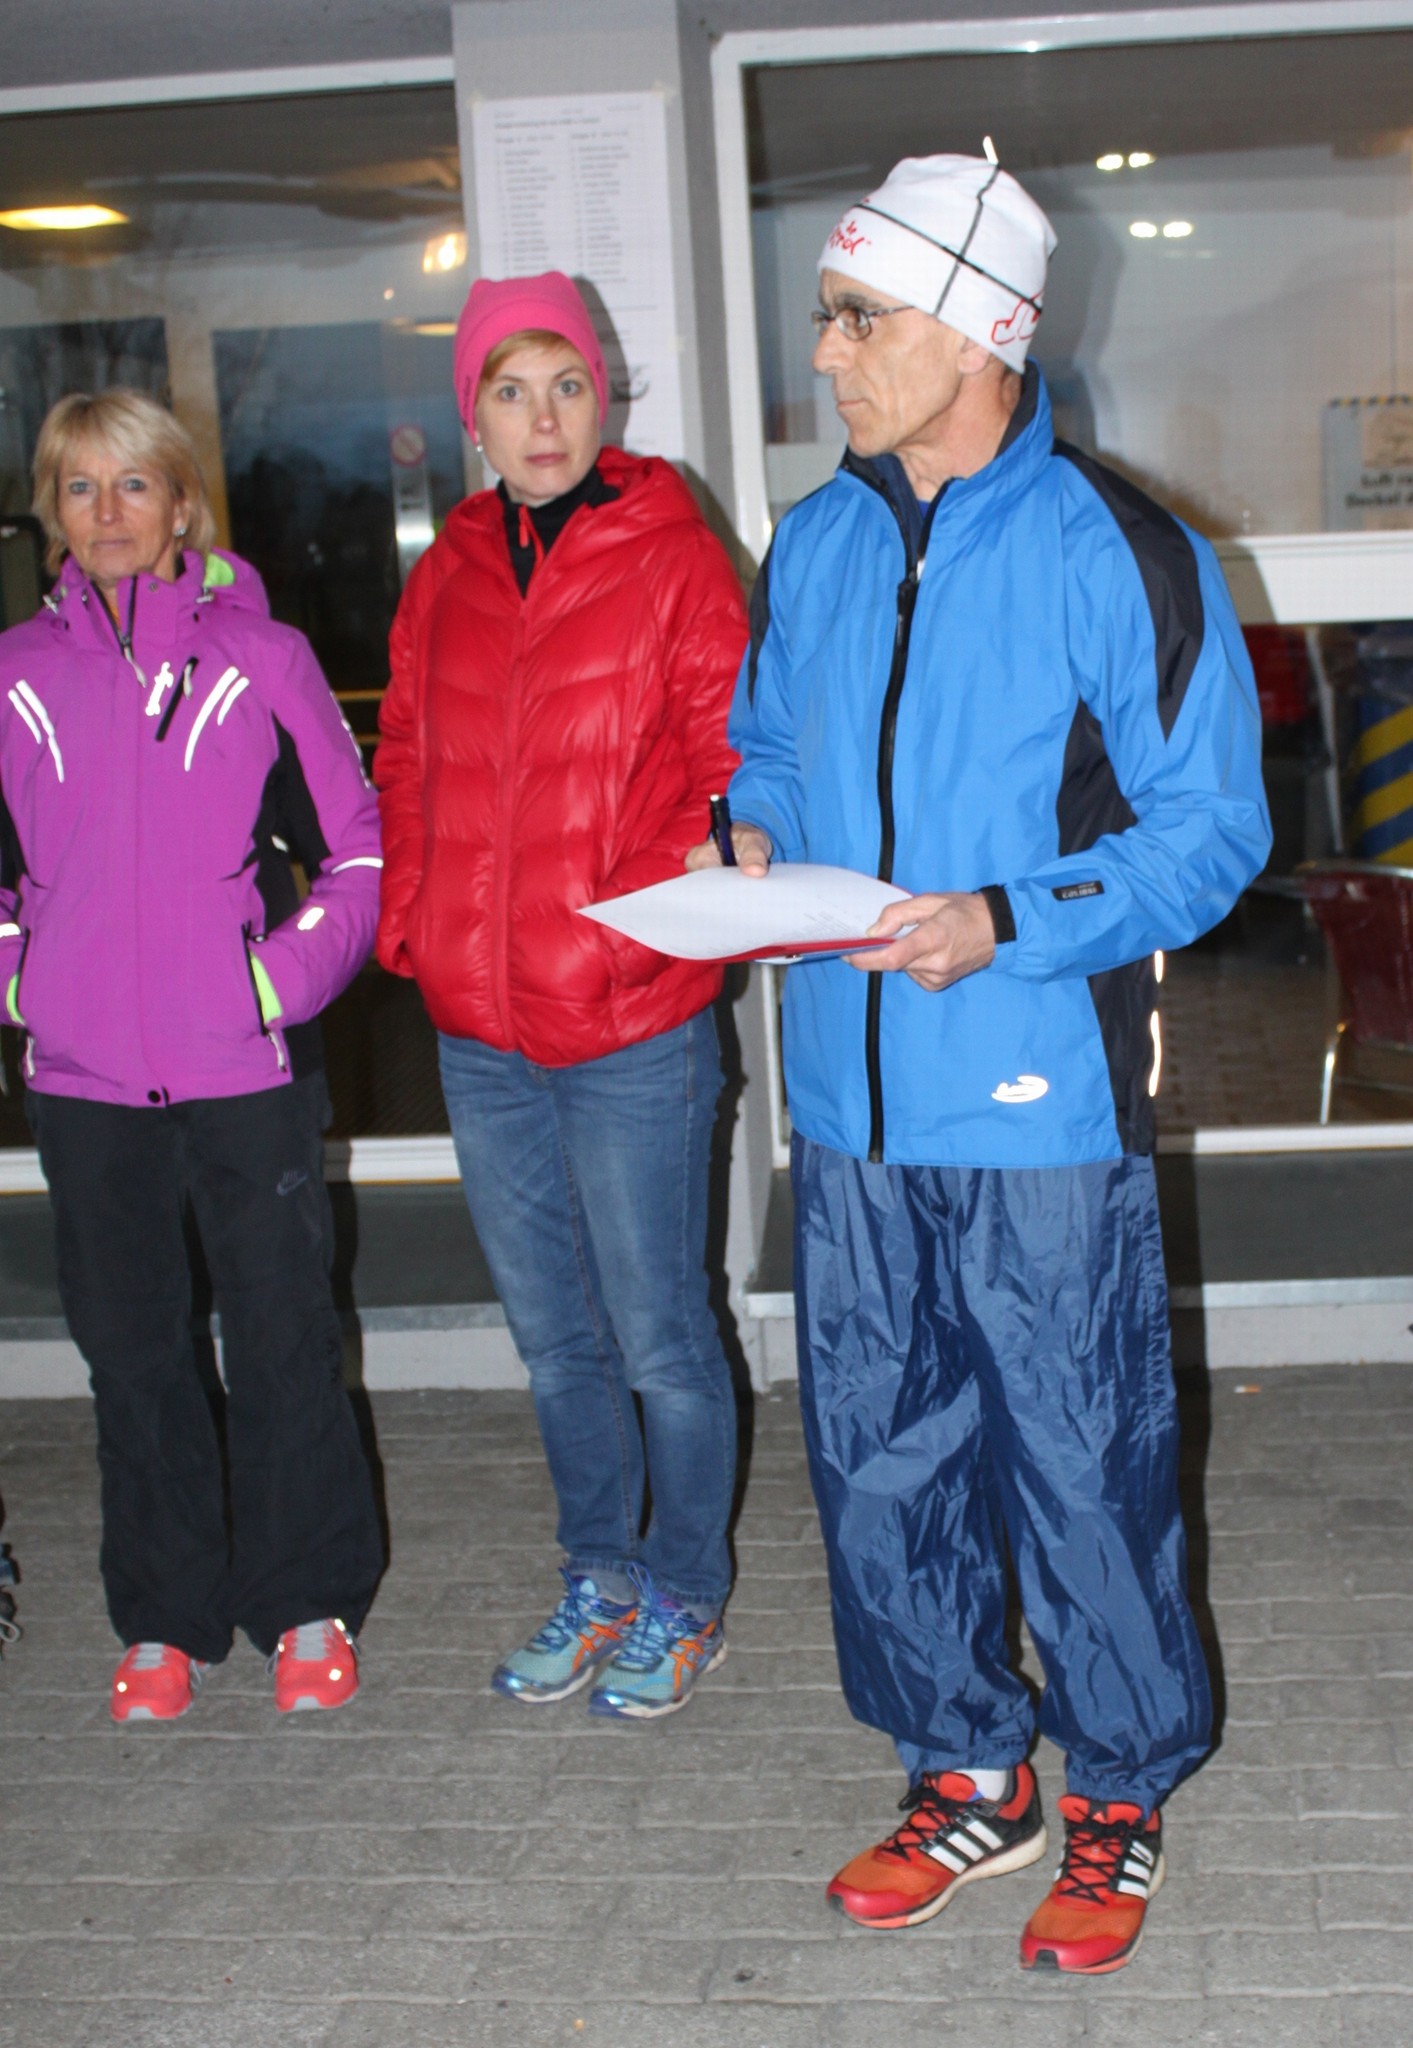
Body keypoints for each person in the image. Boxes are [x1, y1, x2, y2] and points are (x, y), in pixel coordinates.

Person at [689, 156, 1270, 1970]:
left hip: (1035, 1096)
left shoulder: (1122, 549)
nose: (829, 355)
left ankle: (1114, 1790)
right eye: (827, 318)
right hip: (849, 1101)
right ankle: (966, 1772)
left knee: (1081, 1455)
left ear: (982, 329)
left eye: (860, 319)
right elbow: (770, 739)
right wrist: (749, 839)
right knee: (877, 1452)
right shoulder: (823, 535)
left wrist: (1002, 922)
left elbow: (1205, 833)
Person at [375, 272, 746, 1720]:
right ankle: (597, 1572)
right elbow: (406, 757)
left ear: (607, 399)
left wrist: (690, 875)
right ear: (471, 414)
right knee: (554, 1342)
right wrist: (416, 925)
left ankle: (684, 1592)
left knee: (660, 1334)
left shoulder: (671, 551)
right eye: (511, 390)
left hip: (633, 1015)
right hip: (483, 1029)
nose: (543, 418)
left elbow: (738, 754)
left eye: (568, 385)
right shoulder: (445, 572)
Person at [0, 389, 384, 1721]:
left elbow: (358, 848)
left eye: (134, 486)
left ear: (180, 503)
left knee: (281, 1339)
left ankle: (304, 1603)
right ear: (56, 510)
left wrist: (273, 982)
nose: (109, 515)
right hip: (86, 1081)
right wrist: (22, 982)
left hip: (244, 1068)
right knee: (134, 1351)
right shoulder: (13, 674)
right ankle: (163, 1619)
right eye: (81, 489)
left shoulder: (263, 660)